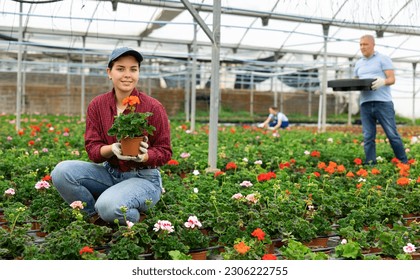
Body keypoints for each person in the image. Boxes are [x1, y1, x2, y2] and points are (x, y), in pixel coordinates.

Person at [51, 47, 172, 225]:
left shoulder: (153, 107)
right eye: (120, 69)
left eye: (133, 69)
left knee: (109, 206)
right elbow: (93, 150)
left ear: (139, 72)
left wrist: (143, 156)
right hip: (110, 173)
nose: (127, 75)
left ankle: (132, 219)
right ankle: (95, 217)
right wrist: (112, 149)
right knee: (62, 172)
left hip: (143, 178)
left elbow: (165, 151)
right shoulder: (97, 105)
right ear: (109, 72)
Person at [354, 34, 407, 165]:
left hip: (383, 103)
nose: (362, 47)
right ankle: (370, 164)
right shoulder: (358, 63)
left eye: (365, 44)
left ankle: (404, 162)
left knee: (392, 134)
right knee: (368, 137)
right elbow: (356, 81)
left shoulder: (383, 59)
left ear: (372, 45)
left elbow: (392, 79)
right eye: (360, 44)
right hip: (365, 103)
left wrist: (383, 81)